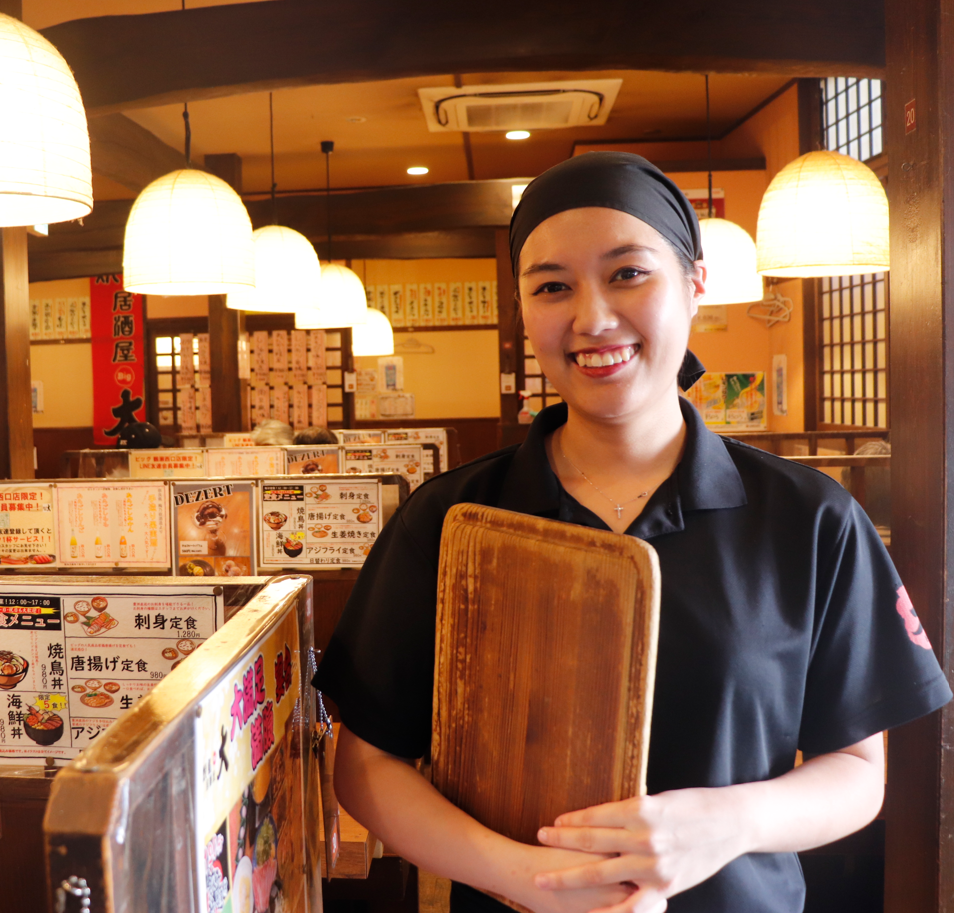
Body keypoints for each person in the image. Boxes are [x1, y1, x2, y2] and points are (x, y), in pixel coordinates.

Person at [314, 152, 951, 913]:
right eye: (552, 287)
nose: (591, 318)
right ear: (524, 310)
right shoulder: (449, 521)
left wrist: (725, 821)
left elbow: (854, 769)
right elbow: (367, 762)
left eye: (627, 274)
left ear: (694, 284)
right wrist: (531, 880)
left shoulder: (808, 518)